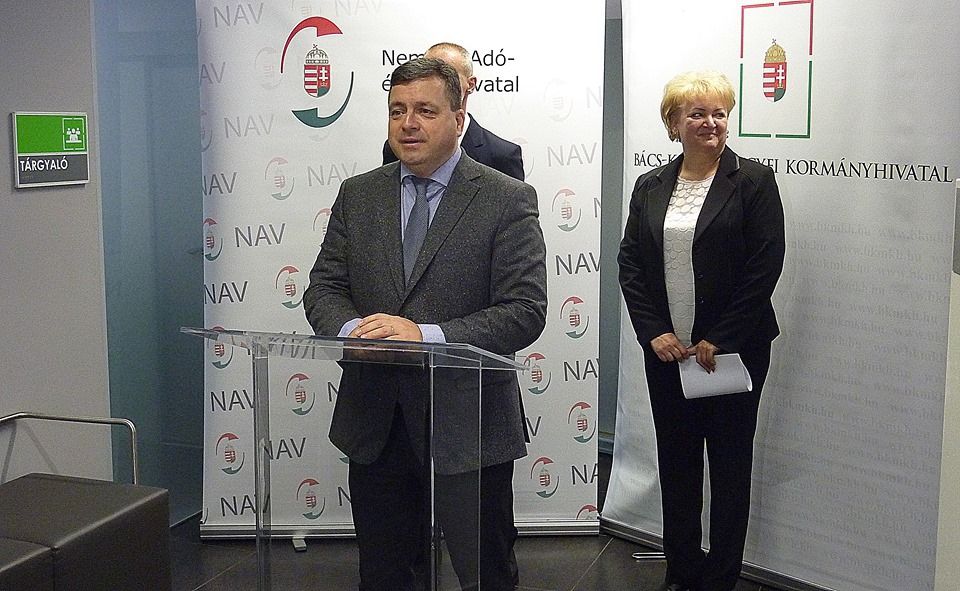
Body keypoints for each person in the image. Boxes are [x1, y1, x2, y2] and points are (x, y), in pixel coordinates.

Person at [304, 57, 547, 591]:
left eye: (425, 111)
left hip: (468, 426)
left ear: (459, 118)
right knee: (385, 576)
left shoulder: (506, 197)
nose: (408, 123)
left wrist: (427, 337)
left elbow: (525, 309)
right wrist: (352, 333)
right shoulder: (358, 194)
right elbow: (323, 288)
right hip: (377, 423)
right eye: (397, 110)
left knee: (484, 575)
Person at [617, 71, 785, 591]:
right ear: (674, 123)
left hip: (731, 354)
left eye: (719, 113)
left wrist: (721, 337)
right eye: (697, 113)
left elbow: (765, 266)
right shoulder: (650, 185)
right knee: (678, 466)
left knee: (730, 470)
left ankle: (721, 578)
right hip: (668, 355)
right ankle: (682, 572)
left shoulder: (754, 182)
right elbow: (630, 264)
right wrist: (654, 332)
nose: (711, 123)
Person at [382, 42, 524, 181]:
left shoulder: (502, 155)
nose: (408, 124)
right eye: (427, 72)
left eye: (448, 74)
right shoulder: (398, 146)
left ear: (471, 84)